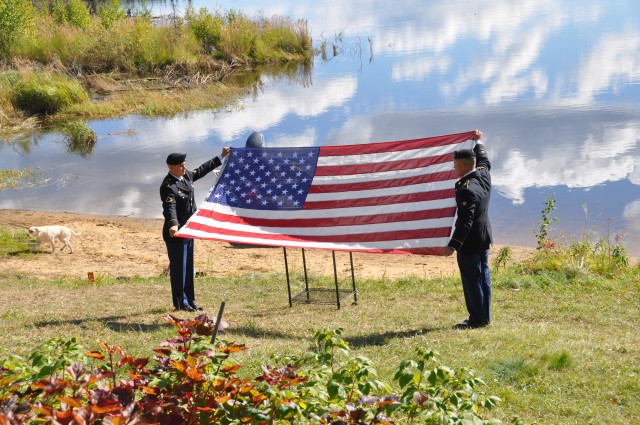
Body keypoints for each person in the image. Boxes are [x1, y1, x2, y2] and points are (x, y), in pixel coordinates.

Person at [160, 148, 229, 312]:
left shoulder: (185, 177)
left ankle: (190, 301)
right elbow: (170, 207)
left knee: (188, 268)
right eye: (181, 166)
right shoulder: (168, 186)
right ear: (171, 167)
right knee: (178, 270)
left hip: (189, 230)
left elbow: (202, 170)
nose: (185, 168)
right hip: (176, 233)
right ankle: (180, 303)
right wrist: (173, 224)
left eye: (184, 165)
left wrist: (221, 156)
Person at [443, 130, 493, 329]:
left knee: (472, 281)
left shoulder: (466, 188)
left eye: (455, 164)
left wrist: (453, 245)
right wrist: (479, 143)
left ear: (463, 165)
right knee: (483, 278)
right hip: (484, 237)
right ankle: (485, 316)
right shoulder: (483, 175)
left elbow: (465, 222)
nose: (454, 167)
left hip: (470, 243)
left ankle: (477, 319)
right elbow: (484, 160)